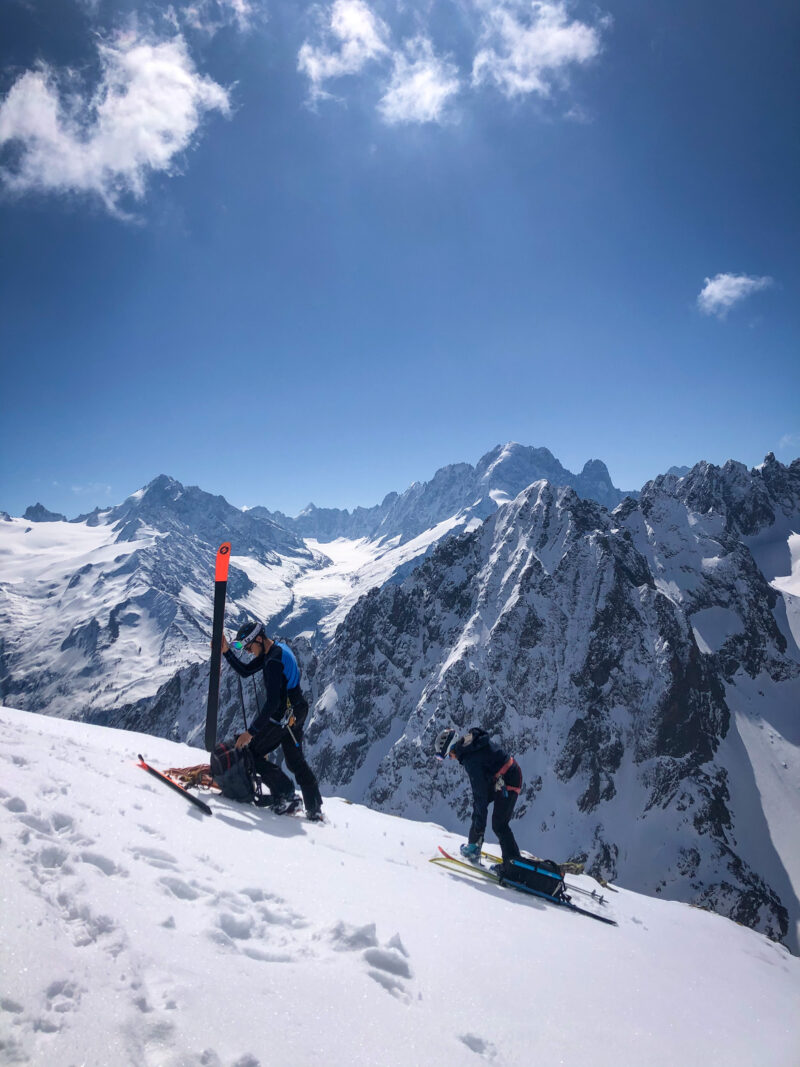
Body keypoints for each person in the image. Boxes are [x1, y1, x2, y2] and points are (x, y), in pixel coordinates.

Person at [221, 620, 323, 821]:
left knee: (252, 752)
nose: (249, 652)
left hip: (285, 715)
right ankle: (314, 809)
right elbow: (246, 671)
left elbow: (273, 702)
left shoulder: (273, 660)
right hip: (295, 711)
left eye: (249, 647)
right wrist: (226, 652)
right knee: (295, 761)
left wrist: (251, 733)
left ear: (259, 639)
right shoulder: (274, 650)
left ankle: (286, 796)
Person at [434, 726, 522, 874]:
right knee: (480, 805)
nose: (450, 758)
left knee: (499, 824)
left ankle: (513, 865)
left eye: (448, 755)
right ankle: (474, 845)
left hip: (509, 778)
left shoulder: (470, 759)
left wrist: (479, 828)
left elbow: (480, 796)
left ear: (452, 749)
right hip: (502, 777)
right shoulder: (469, 747)